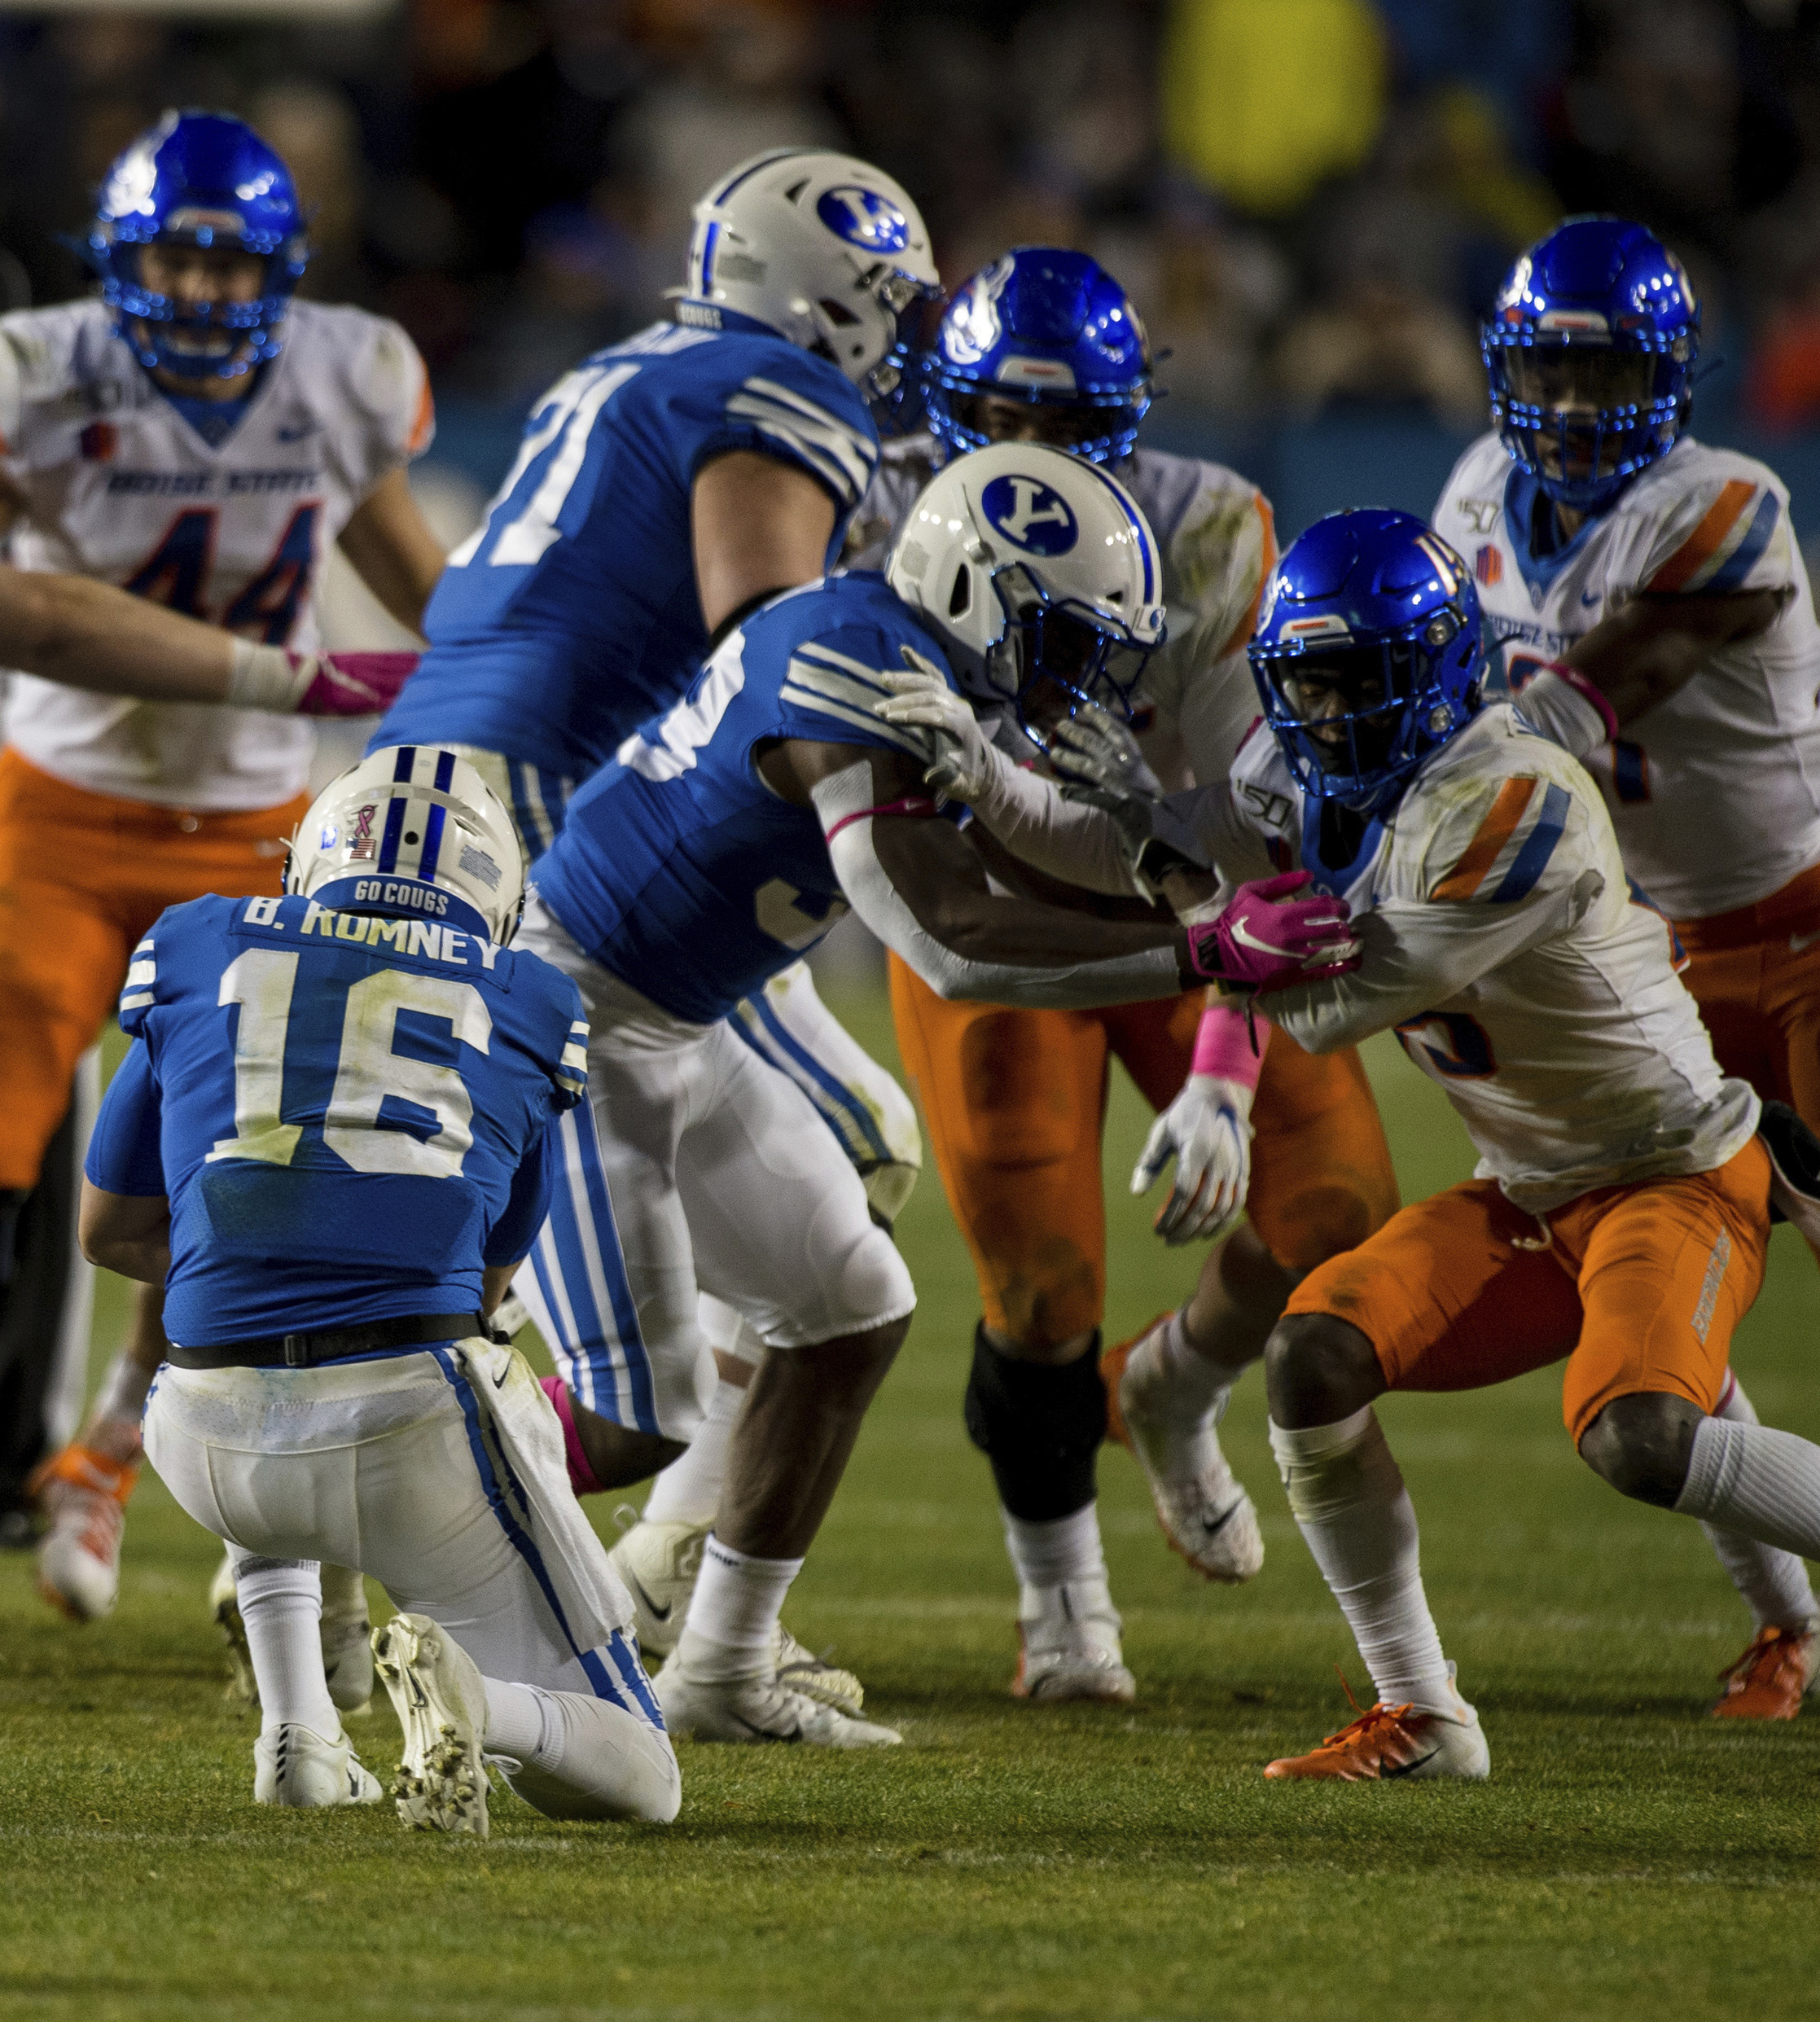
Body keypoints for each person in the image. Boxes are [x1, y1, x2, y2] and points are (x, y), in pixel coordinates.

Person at [1006, 508, 1820, 1777]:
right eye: (1310, 684)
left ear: (1442, 669)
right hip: (1526, 1185)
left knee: (1632, 1432)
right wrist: (1048, 794)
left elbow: (1329, 1002)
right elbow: (1202, 856)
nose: (1334, 716)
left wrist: (1190, 898)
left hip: (1668, 1170)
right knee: (1311, 1357)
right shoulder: (1300, 774)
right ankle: (1424, 1713)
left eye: (1365, 681)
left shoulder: (1508, 798)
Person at [505, 441, 1356, 1746]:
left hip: (673, 1019)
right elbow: (950, 938)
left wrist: (1194, 874)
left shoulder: (908, 654)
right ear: (975, 588)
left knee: (847, 1308)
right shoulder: (858, 671)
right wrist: (1194, 948)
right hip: (571, 1016)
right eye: (1063, 640)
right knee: (634, 1416)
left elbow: (1038, 832)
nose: (1081, 681)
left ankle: (719, 1671)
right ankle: (386, 1543)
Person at [372, 148, 945, 1689]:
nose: (890, 331)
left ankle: (642, 1564)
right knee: (853, 1148)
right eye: (881, 299)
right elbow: (763, 635)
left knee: (572, 1224)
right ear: (813, 287)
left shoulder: (631, 363)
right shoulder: (774, 388)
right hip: (550, 794)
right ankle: (536, 1540)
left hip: (418, 782)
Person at [0, 107, 445, 1627]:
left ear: (281, 268)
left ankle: (112, 1451)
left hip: (254, 823)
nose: (198, 292)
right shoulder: (42, 375)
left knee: (225, 1159)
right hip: (58, 805)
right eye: (170, 259)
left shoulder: (343, 382)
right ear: (113, 263)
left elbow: (428, 597)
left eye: (227, 261)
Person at [868, 248, 1401, 1704]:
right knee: (1038, 1290)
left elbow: (1253, 828)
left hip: (1188, 900)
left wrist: (1226, 1070)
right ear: (938, 406)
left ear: (1126, 419)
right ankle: (1063, 1608)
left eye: (1064, 420)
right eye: (995, 415)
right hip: (999, 915)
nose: (1028, 458)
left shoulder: (1210, 527)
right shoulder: (876, 518)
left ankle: (1171, 1392)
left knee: (1334, 1202)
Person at [1435, 217, 1820, 1433]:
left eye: (1607, 372)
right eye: (1550, 370)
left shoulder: (1729, 504)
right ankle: (1788, 1618)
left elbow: (1603, 685)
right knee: (1625, 1264)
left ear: (1669, 379)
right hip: (1648, 952)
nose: (1571, 405)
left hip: (1805, 918)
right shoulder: (1475, 488)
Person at [81, 744, 680, 1831]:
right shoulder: (532, 999)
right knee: (638, 1776)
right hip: (407, 1434)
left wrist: (267, 1263)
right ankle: (478, 1704)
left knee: (249, 1320)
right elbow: (488, 1279)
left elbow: (109, 1227)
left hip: (201, 1439)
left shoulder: (198, 941)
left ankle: (298, 1733)